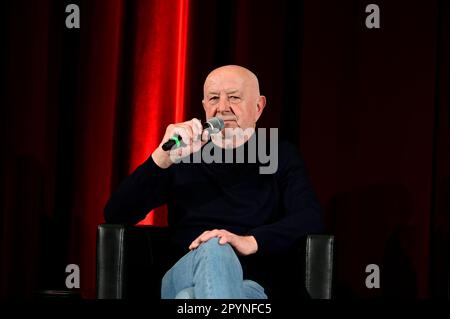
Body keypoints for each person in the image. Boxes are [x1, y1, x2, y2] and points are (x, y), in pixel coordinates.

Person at [104, 65, 324, 299]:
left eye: (234, 97)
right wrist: (161, 157)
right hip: (183, 271)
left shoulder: (279, 154)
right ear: (204, 107)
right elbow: (117, 214)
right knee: (215, 246)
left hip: (253, 284)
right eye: (213, 99)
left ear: (258, 107)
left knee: (188, 298)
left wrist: (250, 241)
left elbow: (310, 217)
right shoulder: (184, 152)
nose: (222, 108)